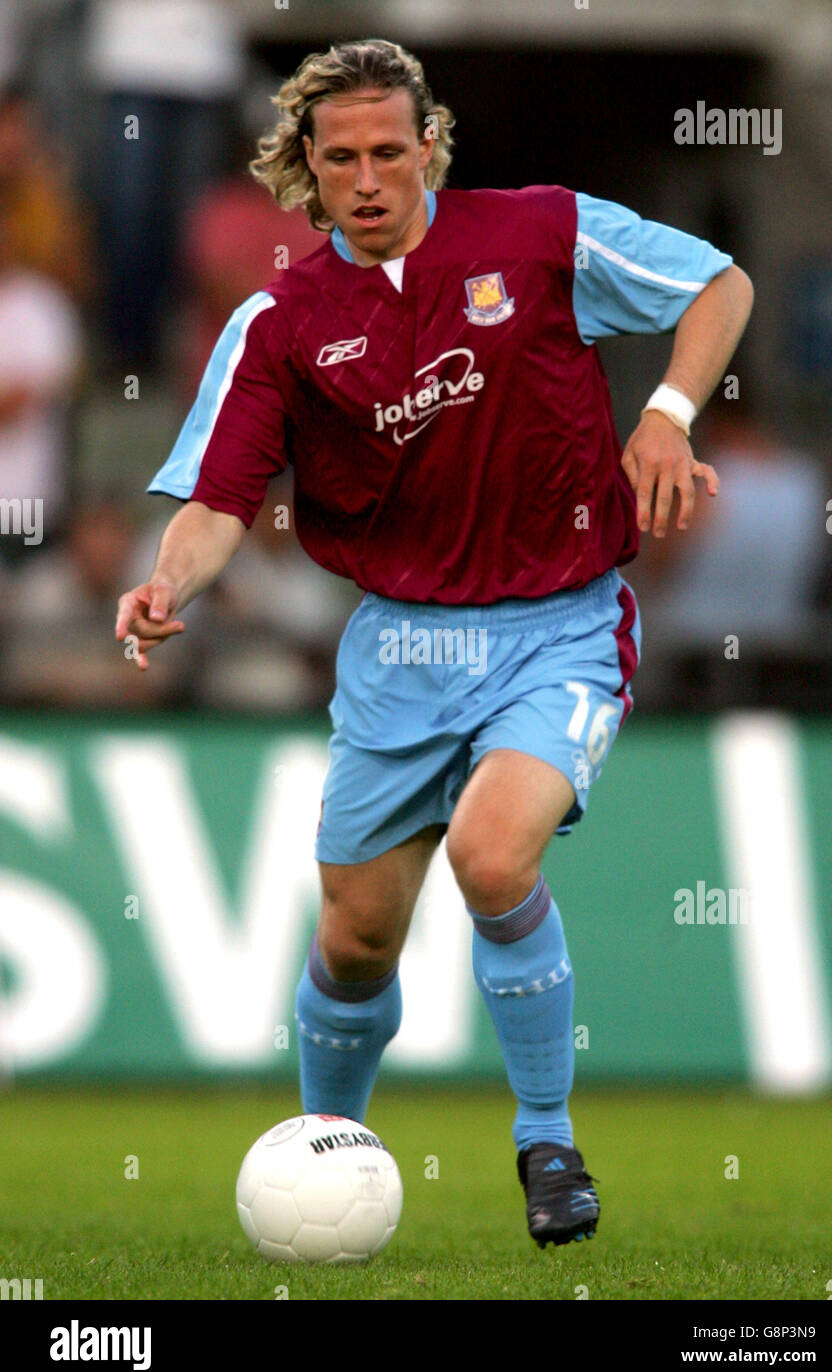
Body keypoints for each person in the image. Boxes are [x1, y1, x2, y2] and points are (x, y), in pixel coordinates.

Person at [115, 39, 753, 1249]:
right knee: (355, 940)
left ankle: (545, 1142)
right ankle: (323, 1150)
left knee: (493, 854)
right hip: (397, 647)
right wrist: (167, 586)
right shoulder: (283, 319)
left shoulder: (539, 236)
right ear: (304, 167)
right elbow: (216, 501)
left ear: (429, 149)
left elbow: (719, 285)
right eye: (339, 158)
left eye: (388, 153)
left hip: (556, 623)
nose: (366, 179)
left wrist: (664, 416)